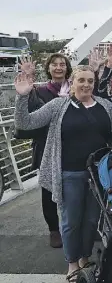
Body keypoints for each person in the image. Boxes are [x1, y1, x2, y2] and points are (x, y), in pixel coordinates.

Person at [13, 66, 112, 283]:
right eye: (81, 80)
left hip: (98, 174)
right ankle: (72, 263)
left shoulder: (104, 104)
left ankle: (85, 258)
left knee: (91, 220)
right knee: (70, 221)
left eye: (90, 81)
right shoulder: (59, 105)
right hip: (70, 173)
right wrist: (22, 97)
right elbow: (24, 123)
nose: (86, 85)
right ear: (72, 82)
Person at [15, 53, 73, 248]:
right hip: (46, 146)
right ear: (48, 68)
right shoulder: (40, 91)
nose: (58, 68)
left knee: (75, 187)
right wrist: (27, 86)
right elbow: (30, 113)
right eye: (54, 64)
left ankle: (72, 227)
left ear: (67, 68)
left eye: (62, 64)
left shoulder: (75, 89)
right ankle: (54, 230)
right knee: (48, 190)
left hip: (71, 146)